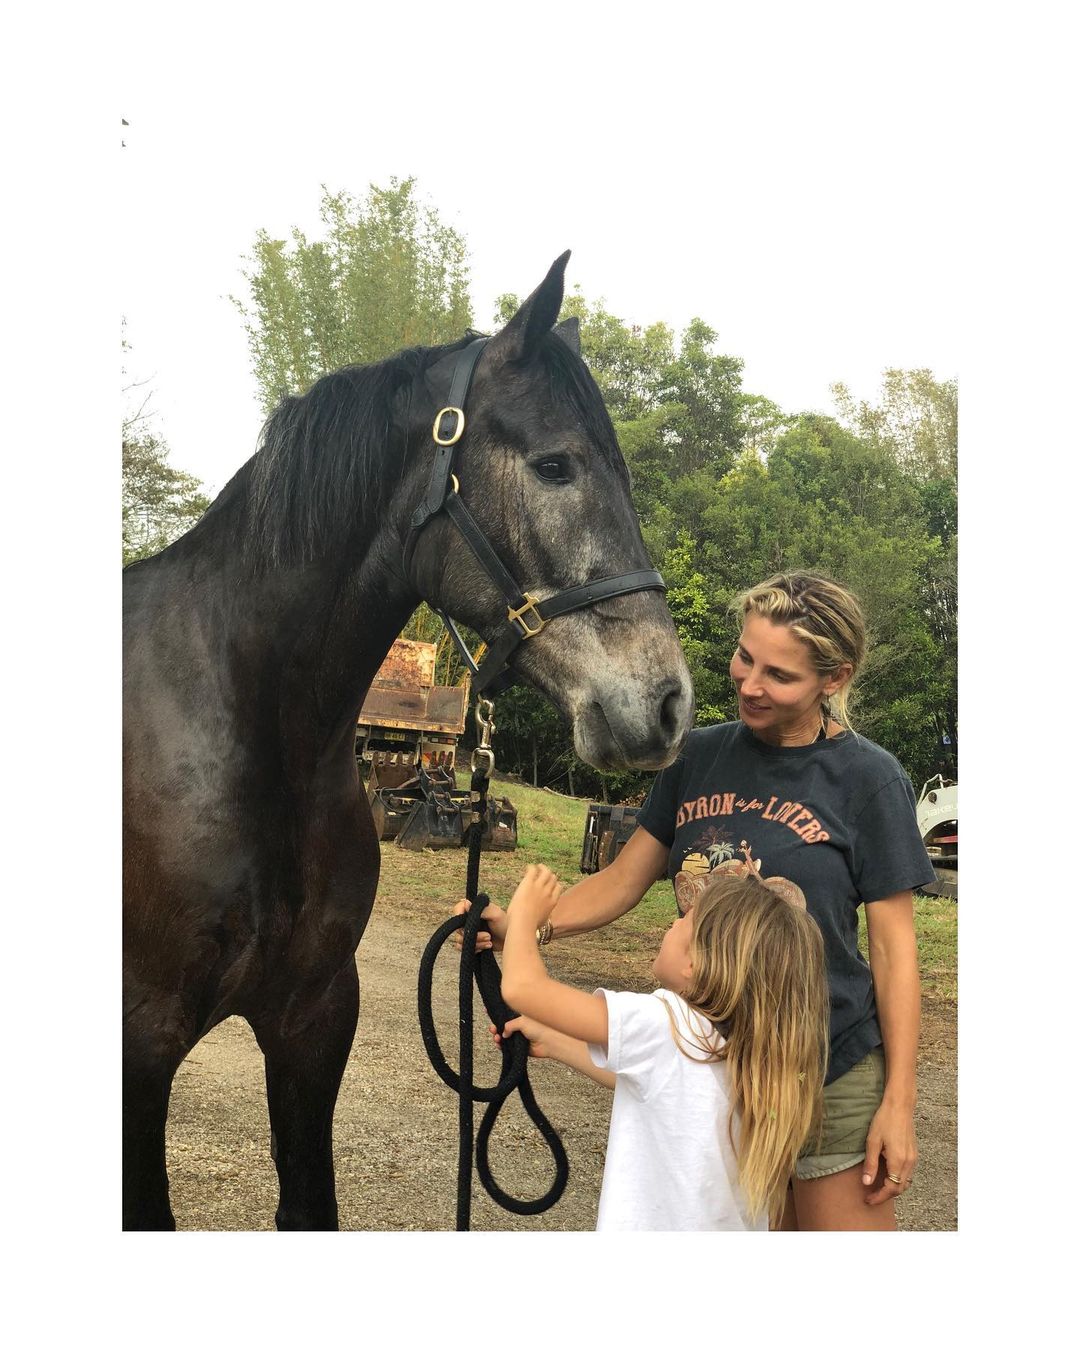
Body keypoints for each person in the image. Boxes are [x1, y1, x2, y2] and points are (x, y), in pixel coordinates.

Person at [462, 570, 936, 1231]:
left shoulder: (868, 780)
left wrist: (898, 1103)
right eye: (745, 657)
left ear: (833, 679)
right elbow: (624, 881)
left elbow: (893, 951)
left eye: (779, 674)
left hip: (827, 1067)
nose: (748, 683)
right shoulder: (698, 756)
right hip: (716, 1067)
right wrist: (525, 927)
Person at [488, 861, 829, 1231]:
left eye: (683, 921)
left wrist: (523, 916)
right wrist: (555, 1042)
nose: (673, 924)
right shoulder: (752, 1056)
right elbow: (662, 1089)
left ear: (695, 962)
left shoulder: (666, 1021)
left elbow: (523, 988)